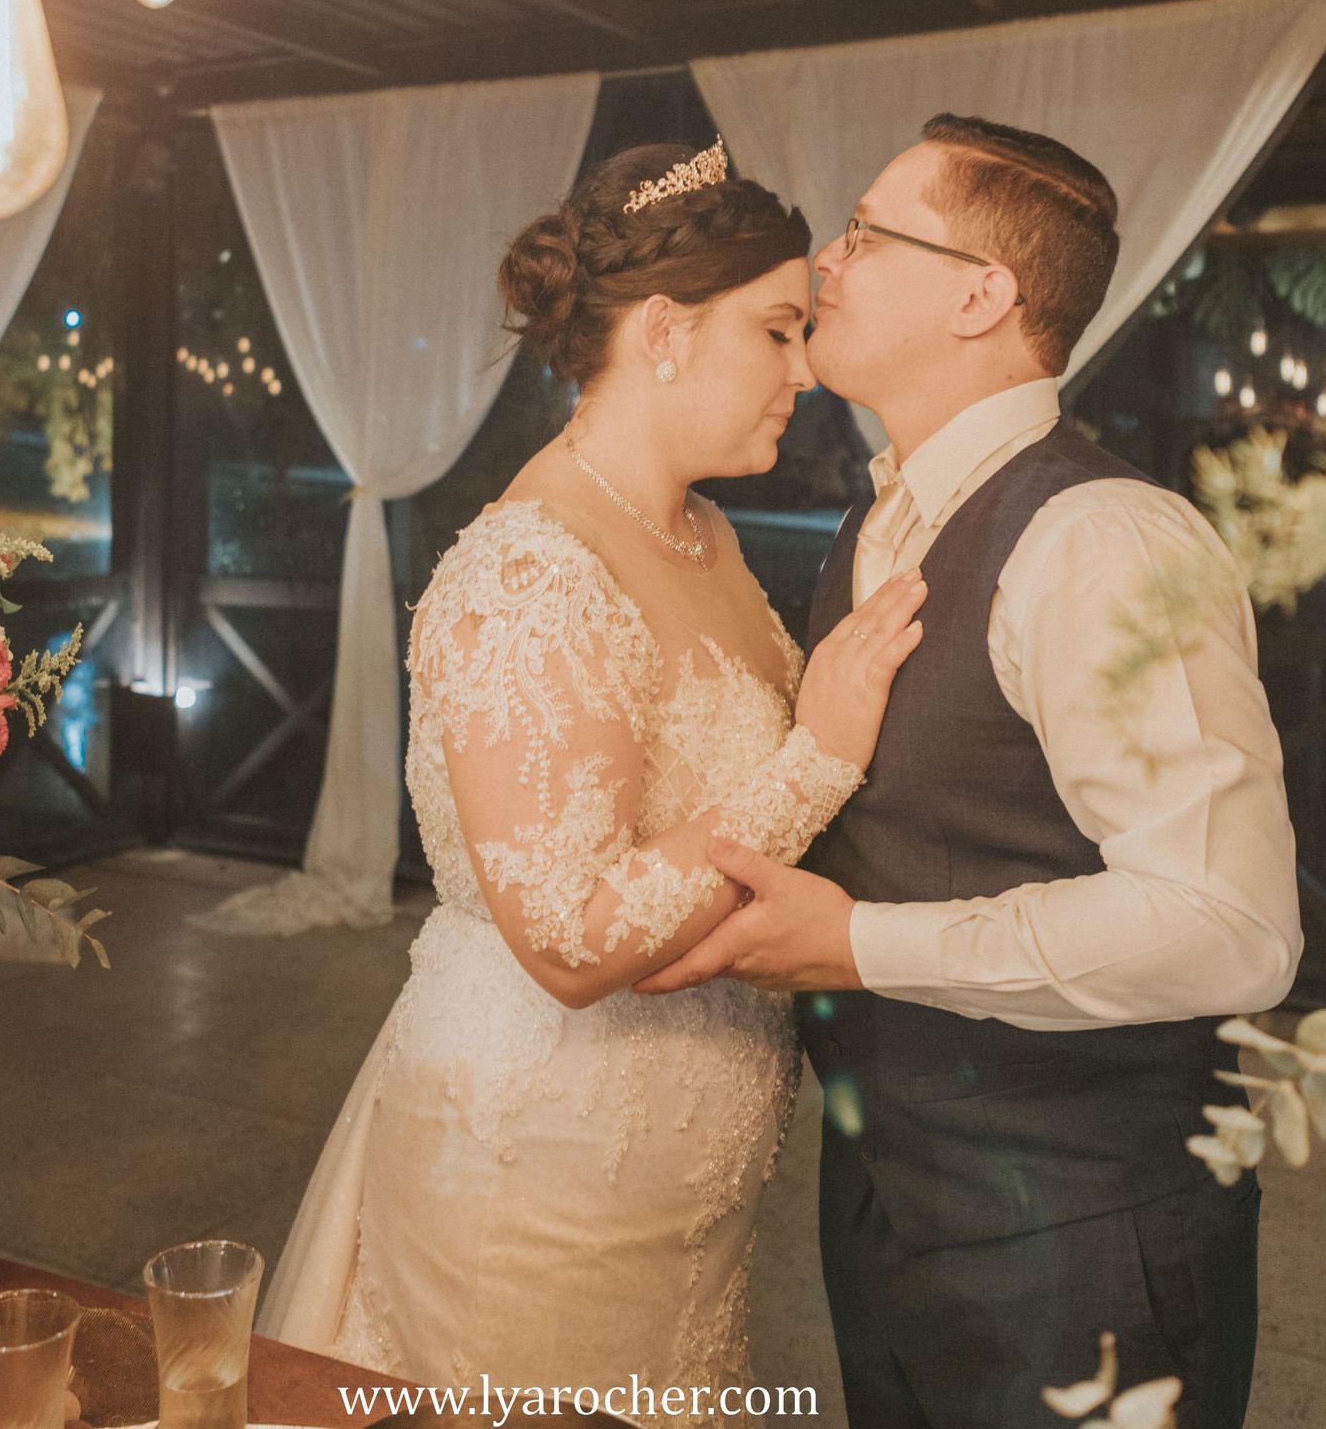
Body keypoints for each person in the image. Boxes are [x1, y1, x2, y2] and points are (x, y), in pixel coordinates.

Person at [638, 114, 1304, 1429]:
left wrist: (858, 942)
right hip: (888, 1199)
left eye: (867, 232)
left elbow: (1232, 928)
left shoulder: (1104, 539)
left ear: (982, 295)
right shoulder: (879, 518)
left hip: (1083, 1236)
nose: (825, 261)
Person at [260, 138, 926, 1414]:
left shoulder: (702, 530)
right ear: (664, 332)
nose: (805, 372)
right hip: (538, 1170)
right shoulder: (529, 572)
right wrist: (821, 757)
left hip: (681, 1197)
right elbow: (568, 938)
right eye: (777, 331)